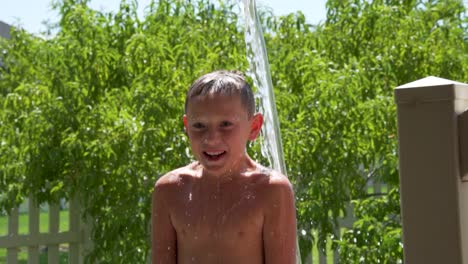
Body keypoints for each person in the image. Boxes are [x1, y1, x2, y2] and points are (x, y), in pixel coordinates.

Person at [151, 70, 297, 264]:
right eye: (199, 126)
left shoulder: (270, 190)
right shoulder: (170, 190)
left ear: (253, 127)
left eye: (226, 124)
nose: (212, 138)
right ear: (186, 126)